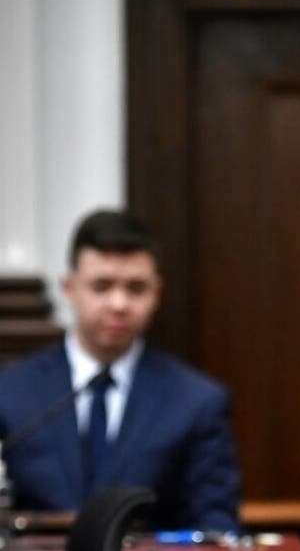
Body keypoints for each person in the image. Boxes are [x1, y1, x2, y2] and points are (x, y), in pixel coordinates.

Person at [0, 209, 240, 531]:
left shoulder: (197, 402)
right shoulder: (11, 392)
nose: (119, 304)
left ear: (157, 293)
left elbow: (216, 528)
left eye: (136, 289)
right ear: (69, 289)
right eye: (101, 286)